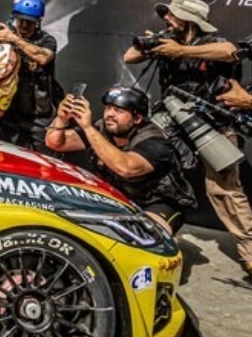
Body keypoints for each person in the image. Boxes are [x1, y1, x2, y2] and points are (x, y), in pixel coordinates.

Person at [124, 0, 252, 279]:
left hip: (213, 125)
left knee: (223, 191)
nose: (167, 19)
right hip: (171, 118)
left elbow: (230, 52)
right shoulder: (167, 38)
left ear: (191, 20)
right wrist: (154, 47)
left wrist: (179, 52)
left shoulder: (212, 43)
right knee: (143, 161)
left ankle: (249, 252)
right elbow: (129, 57)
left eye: (172, 15)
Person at [45, 85, 196, 234]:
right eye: (108, 108)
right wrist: (62, 118)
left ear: (137, 118)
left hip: (155, 202)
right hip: (117, 198)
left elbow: (126, 168)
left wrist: (88, 128)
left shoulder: (155, 140)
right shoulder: (101, 129)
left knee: (146, 234)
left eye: (119, 111)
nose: (110, 114)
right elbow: (57, 143)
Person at [0, 0, 61, 152]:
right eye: (21, 20)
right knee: (2, 158)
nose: (24, 26)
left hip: (39, 117)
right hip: (10, 114)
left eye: (30, 22)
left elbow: (43, 58)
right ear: (14, 17)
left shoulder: (47, 40)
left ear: (38, 22)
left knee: (45, 162)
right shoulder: (5, 36)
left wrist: (15, 40)